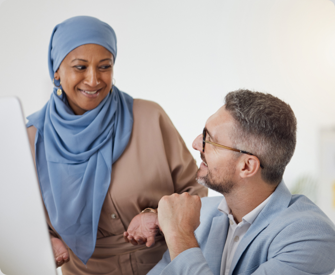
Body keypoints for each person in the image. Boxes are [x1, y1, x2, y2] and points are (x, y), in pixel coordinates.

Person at [26, 16, 207, 275]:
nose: (93, 80)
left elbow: (196, 189)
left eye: (104, 66)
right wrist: (43, 241)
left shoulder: (149, 117)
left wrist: (158, 216)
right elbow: (17, 217)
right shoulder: (32, 139)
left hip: (166, 265)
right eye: (80, 67)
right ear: (56, 70)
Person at [146, 90, 335, 275]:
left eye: (209, 139)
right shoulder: (198, 213)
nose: (196, 144)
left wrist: (180, 236)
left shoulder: (311, 237)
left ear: (246, 166)